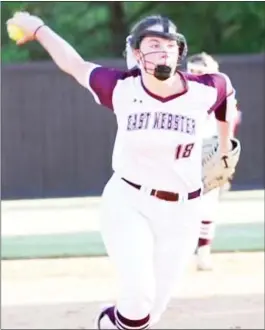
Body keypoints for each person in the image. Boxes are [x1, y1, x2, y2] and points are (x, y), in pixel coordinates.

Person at [7, 12, 238, 329]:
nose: (163, 50)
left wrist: (225, 147)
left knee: (149, 314)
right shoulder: (121, 87)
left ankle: (106, 325)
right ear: (136, 53)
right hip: (130, 203)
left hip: (184, 211)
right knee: (138, 298)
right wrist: (40, 29)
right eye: (153, 43)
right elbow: (74, 64)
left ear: (180, 53)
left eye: (170, 45)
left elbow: (226, 99)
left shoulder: (207, 88)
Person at [186, 52, 241, 270]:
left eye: (201, 71)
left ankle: (203, 253)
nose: (196, 75)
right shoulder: (179, 93)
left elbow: (228, 131)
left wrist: (226, 163)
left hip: (209, 156)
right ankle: (180, 253)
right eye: (192, 71)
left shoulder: (222, 96)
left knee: (208, 208)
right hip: (183, 156)